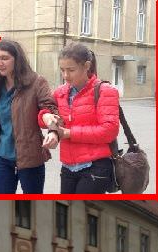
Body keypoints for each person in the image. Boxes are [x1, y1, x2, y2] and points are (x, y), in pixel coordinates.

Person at [41, 43, 119, 194]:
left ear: (86, 66)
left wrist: (69, 133)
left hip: (95, 166)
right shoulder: (60, 92)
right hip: (68, 166)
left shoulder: (105, 91)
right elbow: (45, 111)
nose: (65, 75)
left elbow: (109, 131)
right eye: (62, 70)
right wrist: (47, 119)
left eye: (71, 70)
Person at [0, 39, 57, 194]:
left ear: (17, 59)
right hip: (2, 156)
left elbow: (50, 108)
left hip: (30, 157)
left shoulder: (36, 82)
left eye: (5, 58)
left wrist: (53, 129)